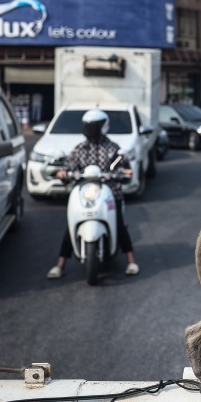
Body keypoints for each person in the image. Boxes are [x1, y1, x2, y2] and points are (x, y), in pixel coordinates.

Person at [47, 109, 139, 278]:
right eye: (88, 126)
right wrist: (63, 173)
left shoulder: (113, 148)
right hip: (85, 192)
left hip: (109, 192)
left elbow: (124, 167)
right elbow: (69, 166)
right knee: (71, 225)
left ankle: (131, 261)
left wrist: (125, 173)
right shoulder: (80, 149)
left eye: (93, 126)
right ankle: (60, 264)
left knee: (119, 222)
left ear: (103, 127)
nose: (90, 130)